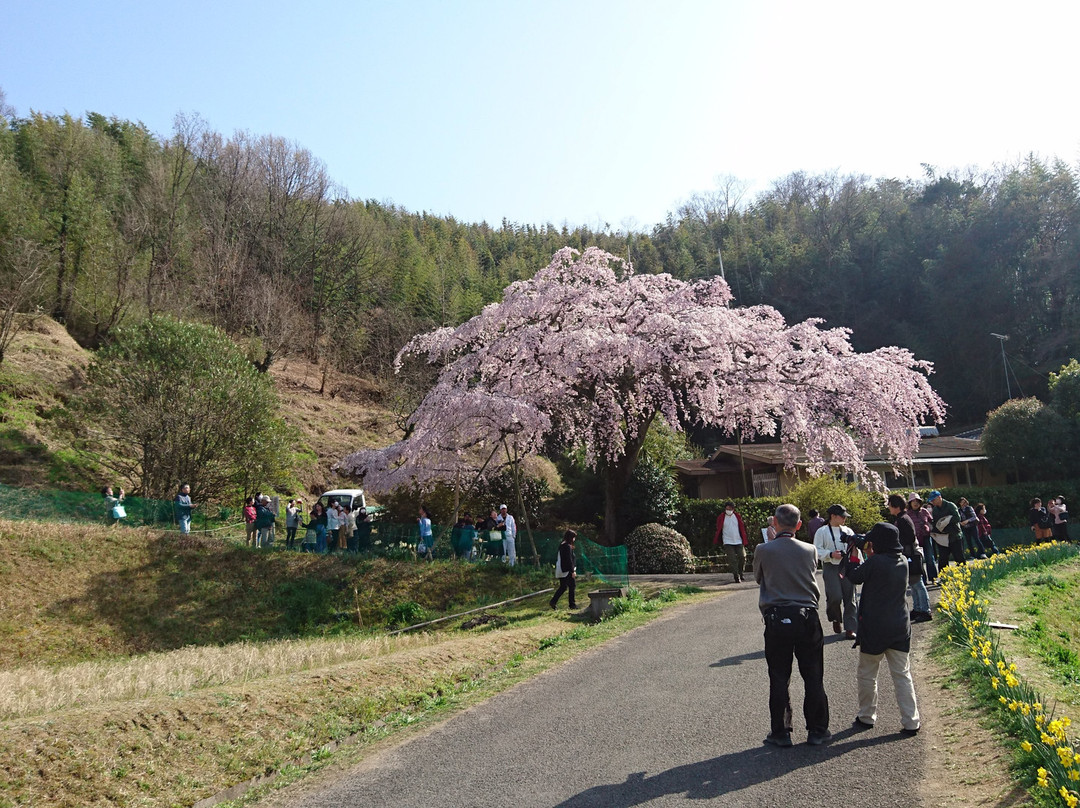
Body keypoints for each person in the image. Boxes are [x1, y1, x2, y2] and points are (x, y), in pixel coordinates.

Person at [754, 503, 831, 748]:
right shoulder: (810, 550)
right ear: (799, 525)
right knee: (813, 676)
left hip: (777, 617)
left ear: (774, 524)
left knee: (779, 677)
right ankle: (818, 730)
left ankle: (781, 731)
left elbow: (759, 577)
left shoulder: (763, 550)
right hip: (807, 615)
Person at [844, 522, 921, 734]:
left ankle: (867, 717)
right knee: (902, 675)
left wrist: (854, 553)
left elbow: (854, 576)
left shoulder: (875, 562)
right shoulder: (903, 560)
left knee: (868, 674)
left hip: (875, 628)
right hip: (899, 626)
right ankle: (911, 720)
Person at [813, 503, 859, 639]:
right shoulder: (821, 532)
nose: (844, 519)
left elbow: (856, 547)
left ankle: (851, 627)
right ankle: (835, 618)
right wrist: (830, 554)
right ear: (833, 516)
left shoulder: (848, 531)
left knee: (850, 597)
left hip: (847, 565)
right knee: (835, 596)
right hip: (830, 566)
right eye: (842, 516)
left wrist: (857, 563)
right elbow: (816, 550)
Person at [887, 494, 931, 623]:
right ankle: (918, 609)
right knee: (913, 583)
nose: (889, 508)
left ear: (896, 506)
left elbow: (909, 538)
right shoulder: (903, 518)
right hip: (909, 554)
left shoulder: (903, 519)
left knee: (917, 583)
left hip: (911, 554)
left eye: (890, 505)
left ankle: (925, 610)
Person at [712, 501, 749, 583]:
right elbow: (718, 528)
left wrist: (743, 538)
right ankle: (736, 576)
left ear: (733, 509)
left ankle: (741, 572)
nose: (728, 510)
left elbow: (741, 527)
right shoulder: (721, 517)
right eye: (727, 508)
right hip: (727, 541)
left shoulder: (737, 516)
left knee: (742, 556)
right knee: (732, 559)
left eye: (730, 508)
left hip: (738, 540)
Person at [928, 491, 965, 569]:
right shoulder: (935, 510)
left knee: (959, 558)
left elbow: (957, 518)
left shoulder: (950, 505)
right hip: (943, 538)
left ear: (939, 497)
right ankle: (943, 577)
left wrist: (947, 521)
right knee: (942, 560)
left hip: (955, 536)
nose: (932, 502)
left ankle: (964, 575)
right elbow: (935, 523)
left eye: (933, 500)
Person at [907, 492, 937, 585]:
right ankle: (923, 579)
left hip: (926, 536)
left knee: (930, 558)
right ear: (910, 503)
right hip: (915, 539)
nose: (915, 503)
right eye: (913, 501)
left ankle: (933, 578)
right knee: (919, 560)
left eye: (917, 501)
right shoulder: (908, 514)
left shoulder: (924, 511)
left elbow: (931, 521)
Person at [550, 530, 578, 609]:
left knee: (563, 587)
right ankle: (572, 605)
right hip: (566, 570)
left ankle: (553, 601)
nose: (574, 539)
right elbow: (569, 560)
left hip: (561, 569)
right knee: (572, 586)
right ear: (570, 537)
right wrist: (572, 571)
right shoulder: (567, 546)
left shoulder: (562, 545)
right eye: (573, 537)